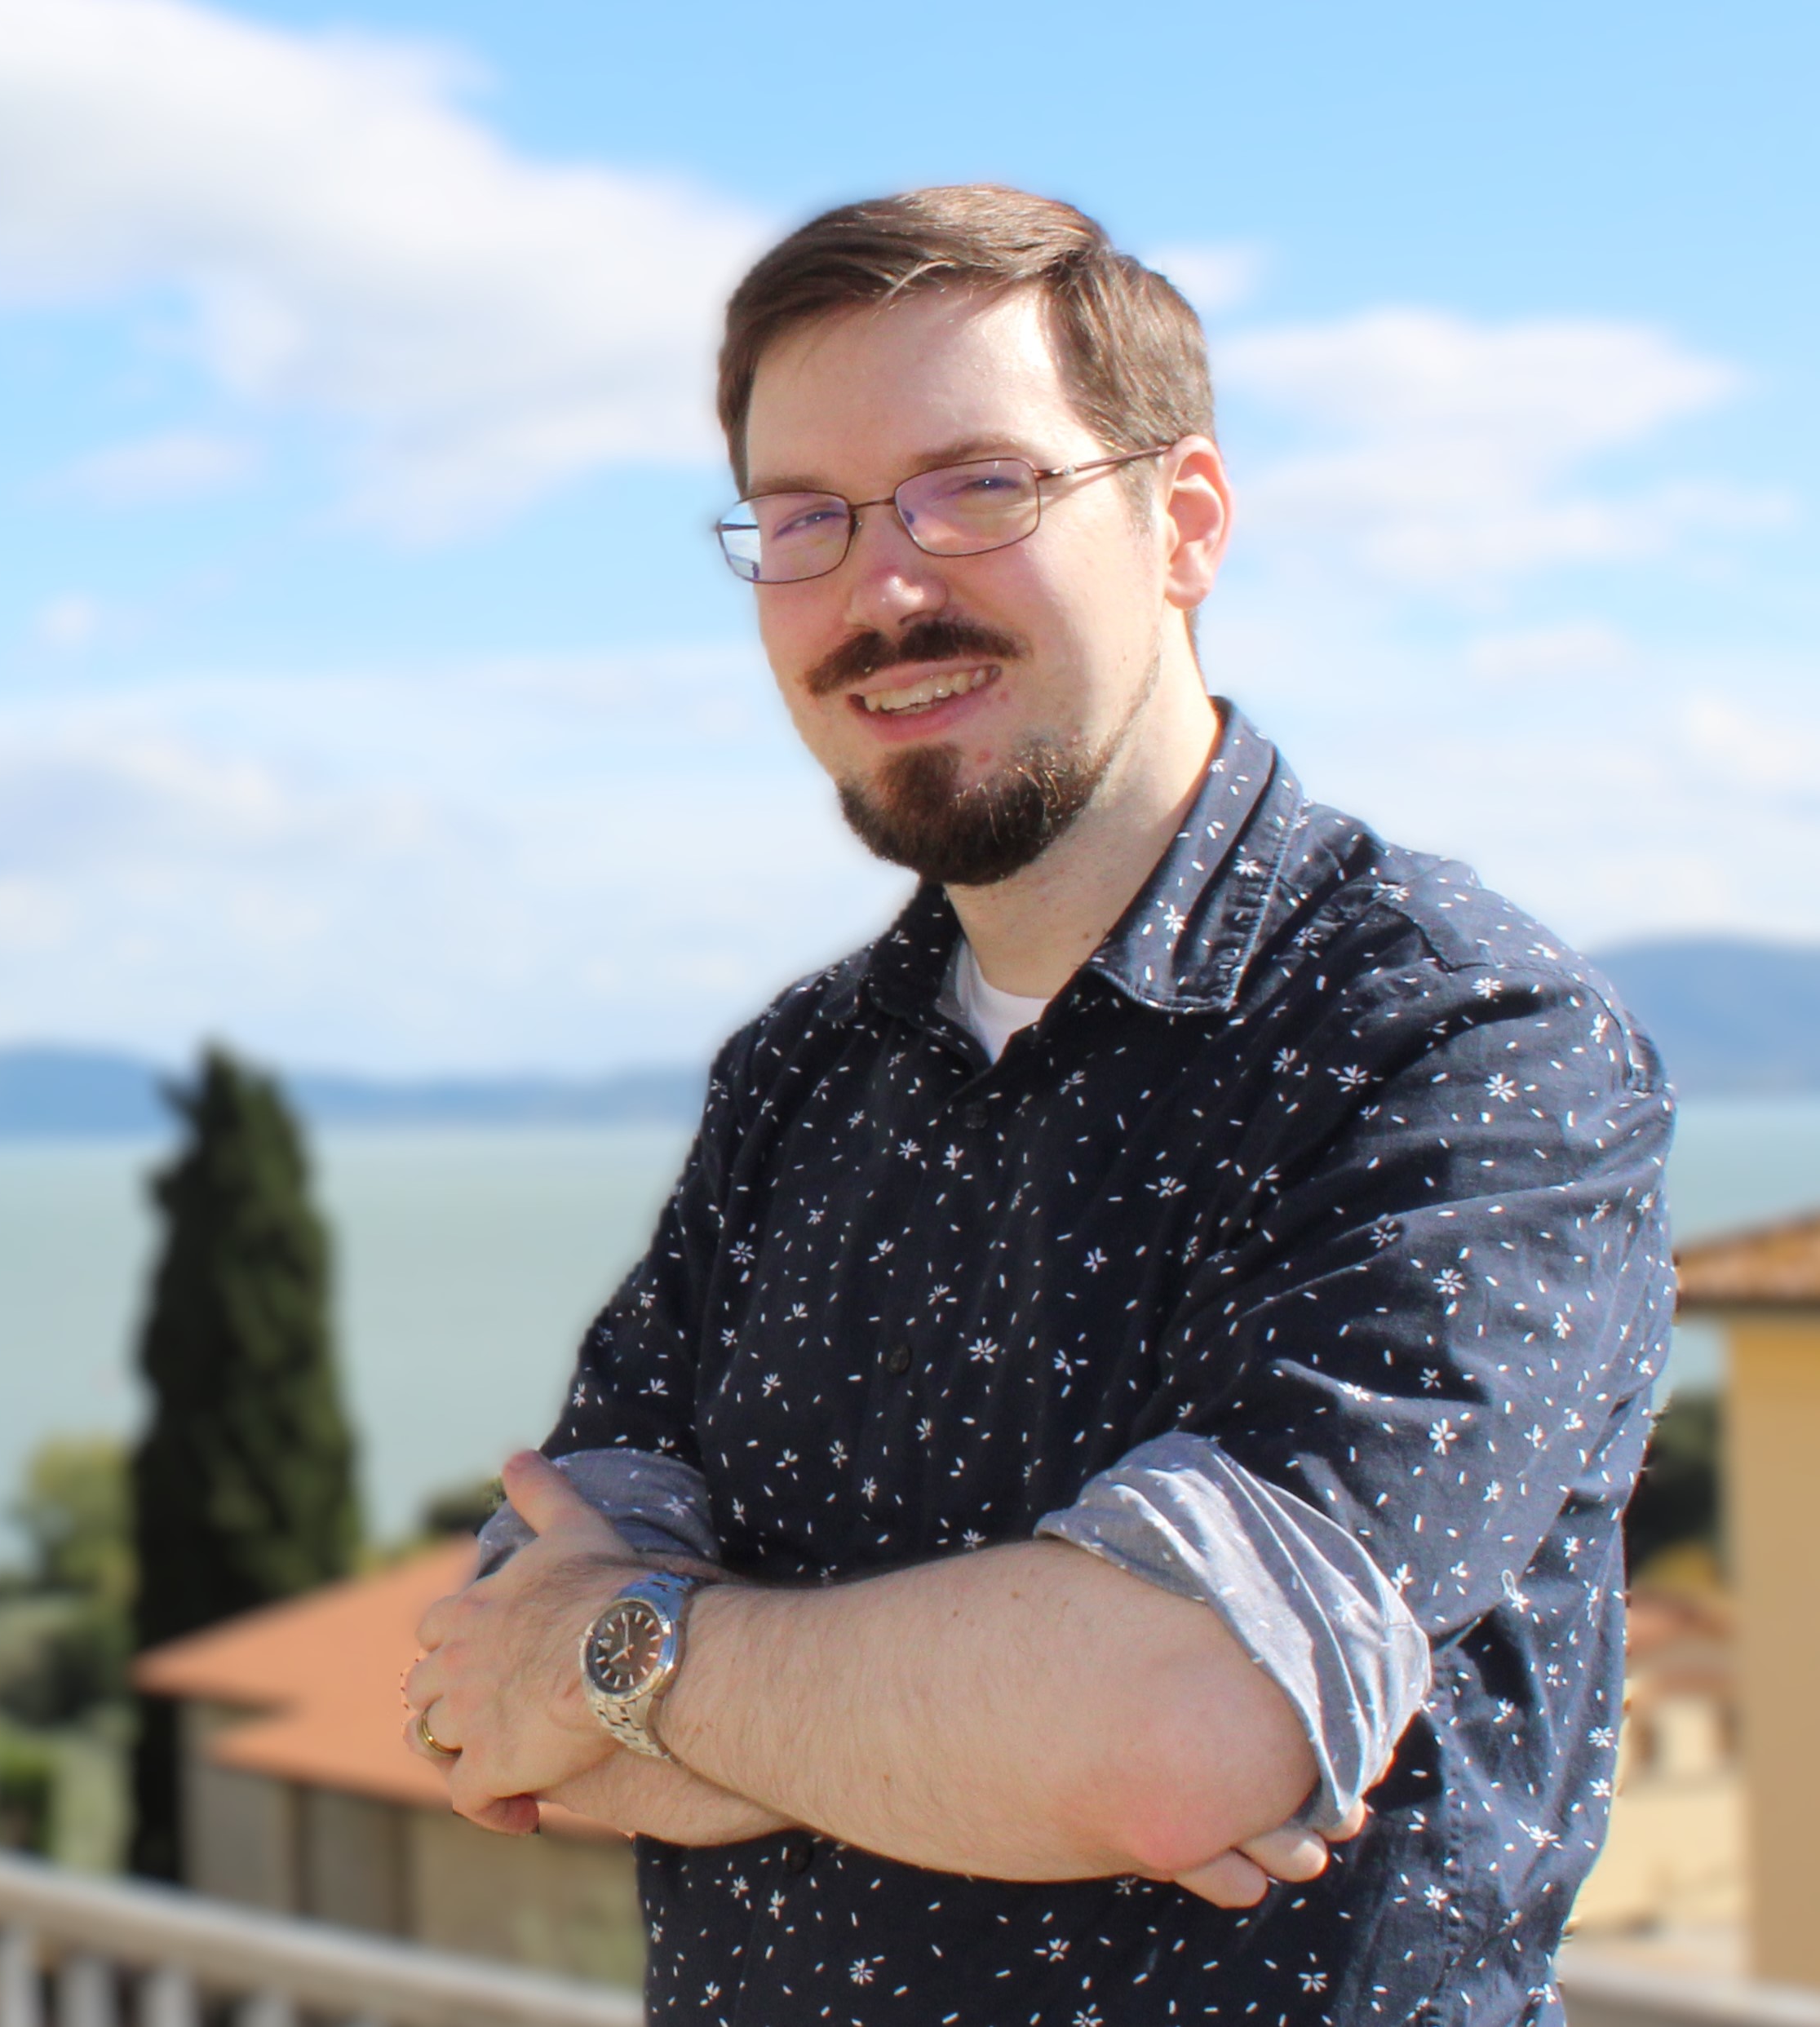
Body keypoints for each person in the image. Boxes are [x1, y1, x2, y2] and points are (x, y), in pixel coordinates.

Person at [400, 185, 1672, 2027]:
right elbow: (488, 1694)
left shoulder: (1455, 1036)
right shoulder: (795, 1075)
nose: (881, 590)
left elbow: (1176, 1736)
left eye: (975, 488)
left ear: (1184, 522)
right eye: (805, 519)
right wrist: (999, 1722)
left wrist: (629, 1658)